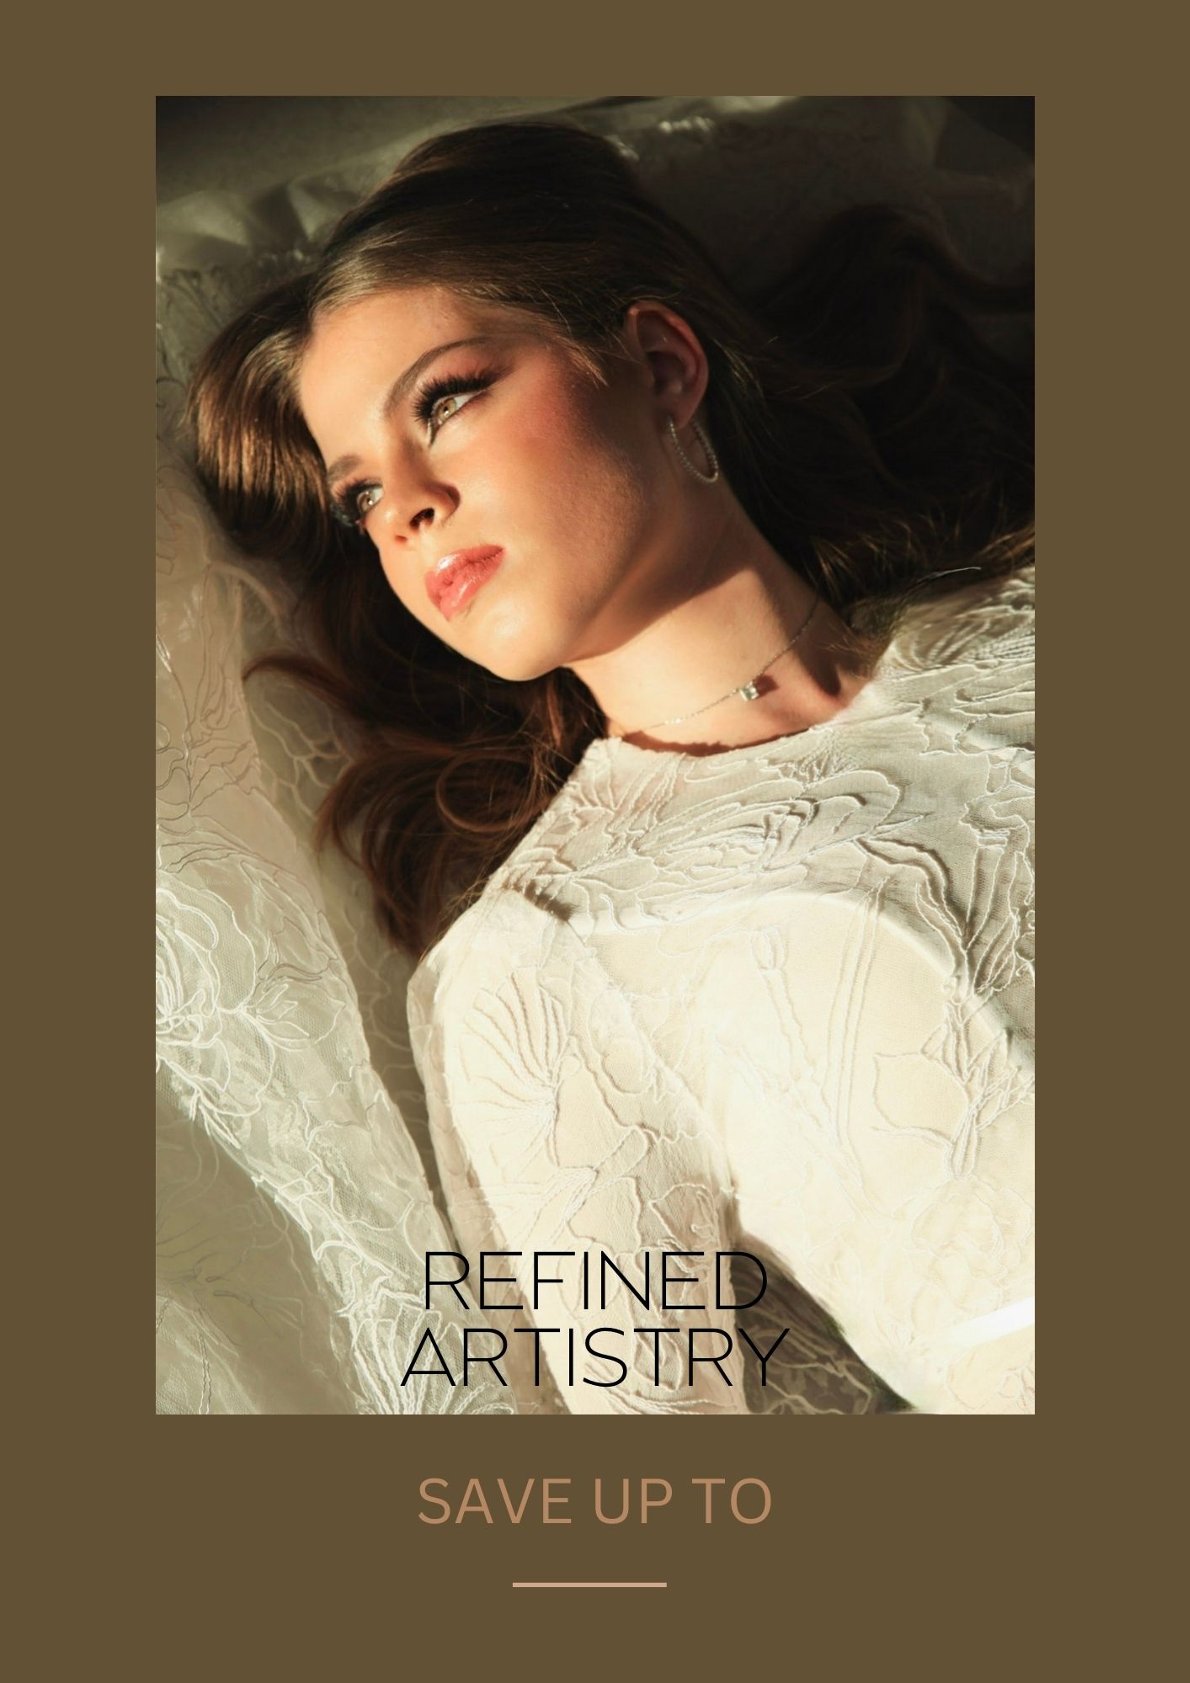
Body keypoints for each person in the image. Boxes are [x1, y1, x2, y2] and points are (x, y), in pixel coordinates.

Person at [188, 118, 1034, 1414]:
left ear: (659, 364)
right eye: (359, 495)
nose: (404, 507)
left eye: (445, 401)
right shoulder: (541, 963)